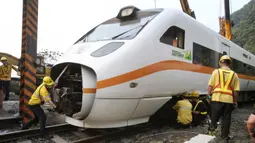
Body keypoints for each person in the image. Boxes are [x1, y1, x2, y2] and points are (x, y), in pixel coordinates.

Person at [207, 55, 240, 140]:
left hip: (216, 98)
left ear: (220, 62)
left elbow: (210, 85)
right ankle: (225, 136)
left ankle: (211, 134)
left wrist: (208, 96)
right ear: (229, 64)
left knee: (214, 117)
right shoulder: (234, 74)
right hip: (228, 100)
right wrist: (235, 101)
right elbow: (236, 91)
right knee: (226, 119)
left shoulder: (216, 72)